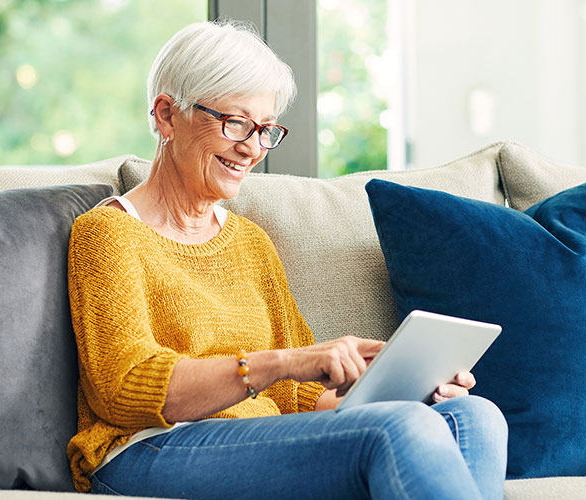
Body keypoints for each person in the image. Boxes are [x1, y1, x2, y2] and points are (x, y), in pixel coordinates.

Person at [66, 20, 508, 500]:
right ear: (167, 116)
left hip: (251, 441)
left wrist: (397, 384)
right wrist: (282, 362)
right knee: (395, 429)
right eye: (235, 123)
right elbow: (124, 388)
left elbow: (294, 395)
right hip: (147, 447)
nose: (252, 148)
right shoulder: (108, 233)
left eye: (264, 130)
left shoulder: (248, 243)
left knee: (474, 417)